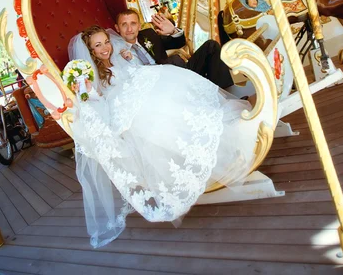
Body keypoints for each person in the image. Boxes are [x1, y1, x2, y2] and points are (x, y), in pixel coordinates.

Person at [68, 26, 259, 248]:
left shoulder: (118, 57)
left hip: (140, 91)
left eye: (106, 42)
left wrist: (130, 61)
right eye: (98, 45)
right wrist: (89, 91)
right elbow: (98, 102)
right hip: (125, 108)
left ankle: (223, 128)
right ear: (90, 50)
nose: (105, 48)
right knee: (160, 112)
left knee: (175, 91)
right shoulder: (94, 74)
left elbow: (136, 74)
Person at [112, 9, 234, 89]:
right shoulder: (117, 51)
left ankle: (226, 92)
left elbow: (178, 43)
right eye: (124, 25)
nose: (129, 29)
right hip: (160, 87)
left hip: (179, 73)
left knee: (211, 46)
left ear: (139, 26)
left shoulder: (148, 34)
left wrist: (173, 31)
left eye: (133, 24)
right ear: (117, 28)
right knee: (174, 61)